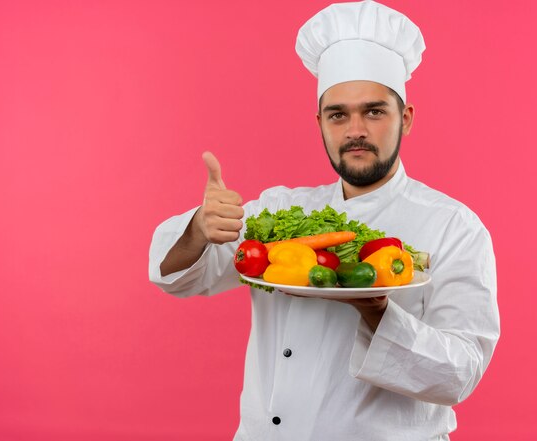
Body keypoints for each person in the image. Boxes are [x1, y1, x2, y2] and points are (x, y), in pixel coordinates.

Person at [149, 1, 500, 440]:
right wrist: (199, 229)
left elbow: (460, 373)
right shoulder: (278, 212)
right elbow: (177, 278)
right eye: (338, 114)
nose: (356, 129)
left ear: (405, 119)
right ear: (319, 122)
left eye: (374, 111)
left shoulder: (455, 227)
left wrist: (378, 313)